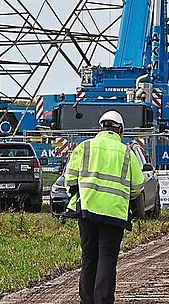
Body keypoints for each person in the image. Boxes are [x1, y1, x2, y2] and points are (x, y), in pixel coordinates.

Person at [62, 110, 145, 304]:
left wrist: (79, 195)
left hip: (86, 211)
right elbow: (138, 186)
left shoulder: (84, 147)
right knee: (107, 257)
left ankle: (87, 300)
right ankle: (103, 300)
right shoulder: (126, 152)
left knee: (89, 256)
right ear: (121, 130)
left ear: (101, 127)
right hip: (114, 215)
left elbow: (70, 179)